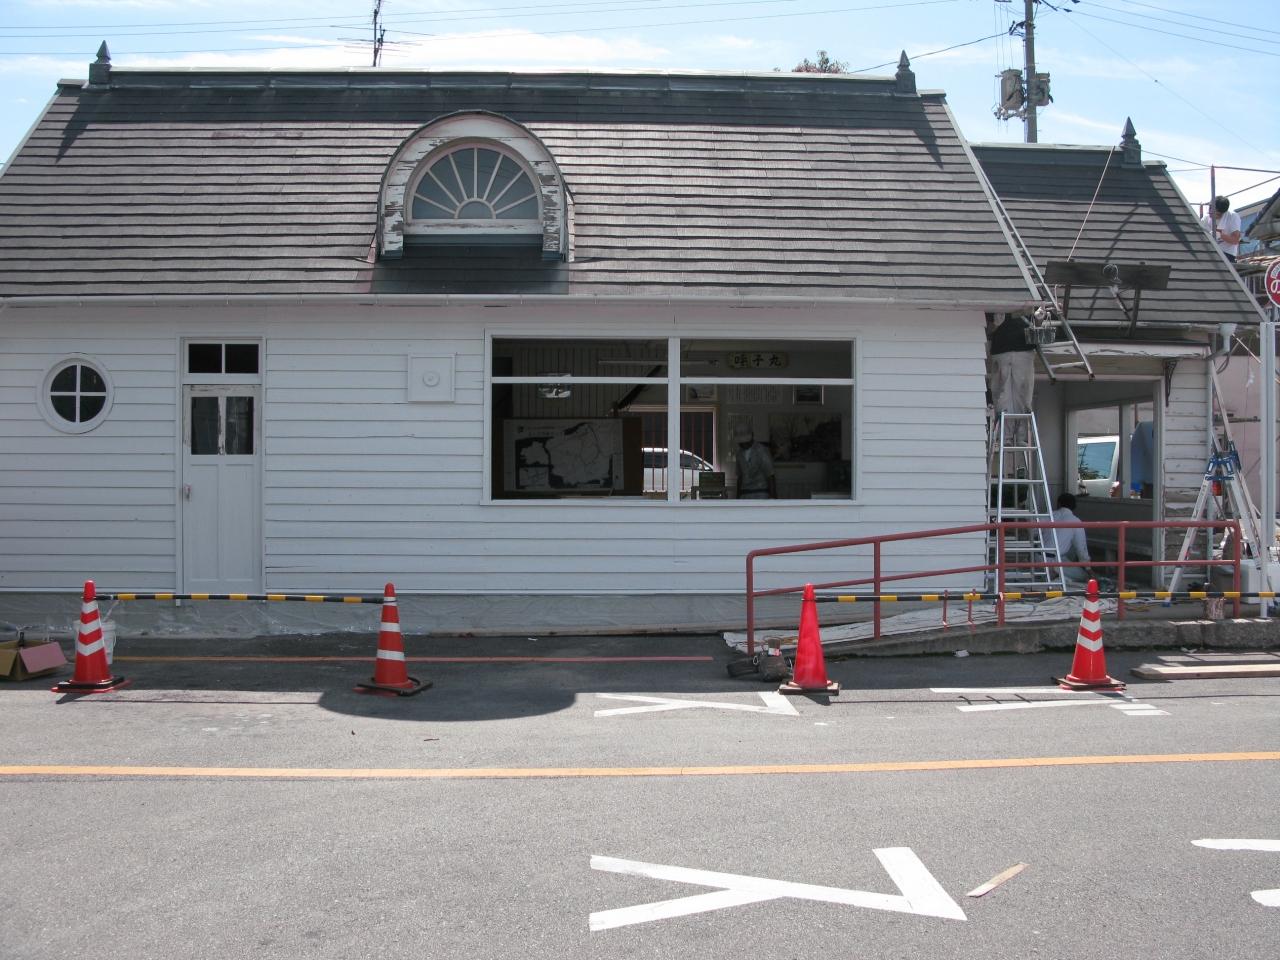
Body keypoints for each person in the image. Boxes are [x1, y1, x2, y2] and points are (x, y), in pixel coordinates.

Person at [988, 314, 1035, 439]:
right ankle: (1015, 436)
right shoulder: (1028, 305)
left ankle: (1011, 435)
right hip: (1015, 349)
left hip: (1007, 349)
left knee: (1009, 394)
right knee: (1014, 394)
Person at [1051, 492, 1091, 583]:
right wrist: (1089, 570)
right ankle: (1060, 577)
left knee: (1071, 547)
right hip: (1055, 562)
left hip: (1037, 559)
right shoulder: (1075, 521)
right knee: (1083, 576)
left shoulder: (1048, 515)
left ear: (1059, 504)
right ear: (1074, 506)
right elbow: (1081, 549)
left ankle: (1058, 574)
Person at [732, 421, 776, 499]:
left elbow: (770, 475)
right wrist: (737, 497)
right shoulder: (739, 454)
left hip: (761, 493)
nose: (743, 444)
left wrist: (773, 498)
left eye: (745, 441)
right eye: (741, 442)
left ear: (752, 436)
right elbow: (740, 477)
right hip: (744, 494)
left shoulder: (762, 451)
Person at [1202, 195, 1242, 263]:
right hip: (1210, 251)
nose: (1210, 212)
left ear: (1223, 212)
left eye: (1216, 213)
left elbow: (1235, 240)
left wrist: (1220, 235)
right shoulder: (1205, 219)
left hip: (1226, 253)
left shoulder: (1232, 216)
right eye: (1210, 208)